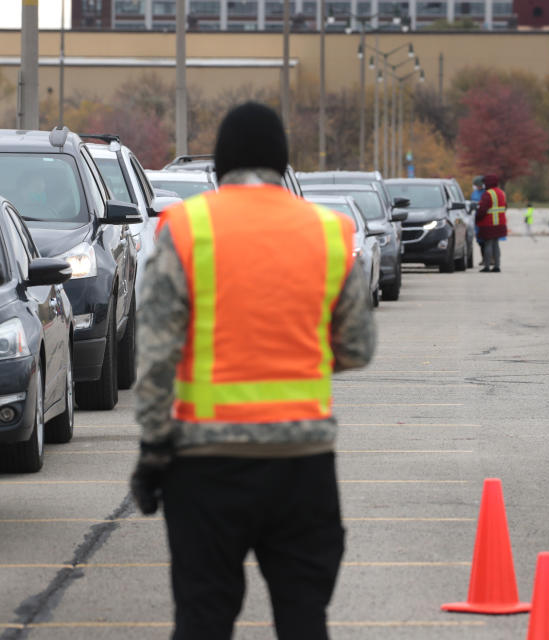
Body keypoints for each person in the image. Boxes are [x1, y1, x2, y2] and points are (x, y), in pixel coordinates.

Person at [129, 102, 376, 640]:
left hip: (205, 465)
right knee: (304, 617)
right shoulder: (330, 232)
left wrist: (153, 449)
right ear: (282, 164)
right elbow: (357, 347)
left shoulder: (187, 228)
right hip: (303, 464)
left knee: (203, 617)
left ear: (220, 165)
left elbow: (156, 353)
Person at [476, 174, 507, 272]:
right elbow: (505, 206)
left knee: (488, 244)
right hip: (500, 223)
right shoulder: (501, 193)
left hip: (488, 224)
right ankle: (497, 266)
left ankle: (487, 266)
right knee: (496, 244)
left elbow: (482, 210)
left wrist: (477, 219)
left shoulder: (487, 194)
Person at [470, 176, 486, 266]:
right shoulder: (474, 193)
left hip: (484, 219)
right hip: (476, 220)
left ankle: (488, 259)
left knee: (486, 242)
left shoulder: (485, 193)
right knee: (480, 242)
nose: (476, 186)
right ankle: (484, 258)